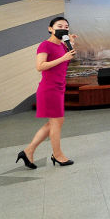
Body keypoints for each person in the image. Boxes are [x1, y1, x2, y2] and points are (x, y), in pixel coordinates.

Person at [17, 17, 76, 169]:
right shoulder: (45, 45)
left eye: (66, 26)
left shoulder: (63, 46)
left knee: (54, 123)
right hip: (49, 89)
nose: (64, 28)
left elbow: (64, 65)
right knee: (56, 122)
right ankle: (57, 155)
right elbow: (40, 66)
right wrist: (63, 57)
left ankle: (28, 151)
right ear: (50, 28)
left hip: (59, 87)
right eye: (59, 25)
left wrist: (70, 47)